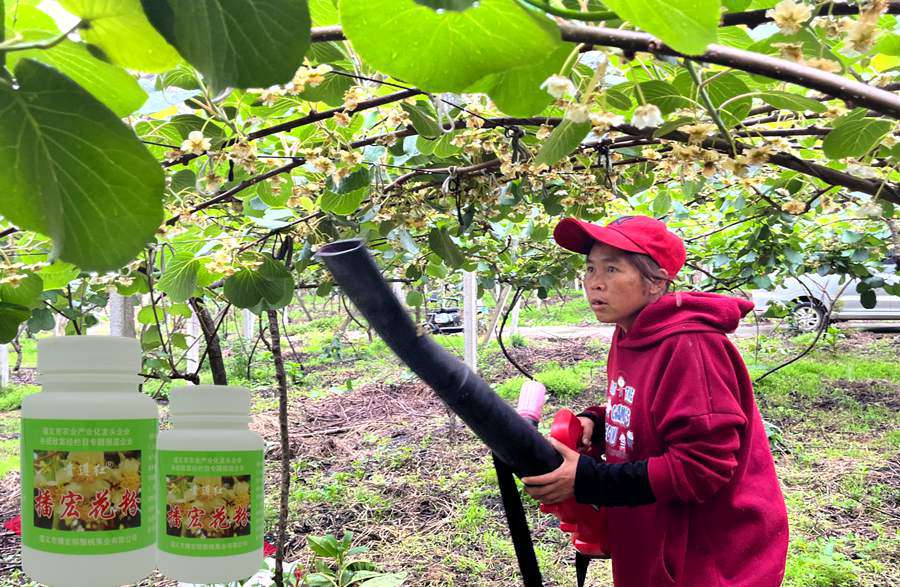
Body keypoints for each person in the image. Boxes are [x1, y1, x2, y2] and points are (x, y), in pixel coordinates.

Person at [522, 215, 789, 586]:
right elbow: (648, 410)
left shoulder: (689, 346)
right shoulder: (629, 332)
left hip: (705, 559)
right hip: (657, 538)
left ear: (656, 282)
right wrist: (596, 423)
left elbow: (701, 470)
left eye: (612, 268)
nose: (594, 283)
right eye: (590, 268)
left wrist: (590, 480)